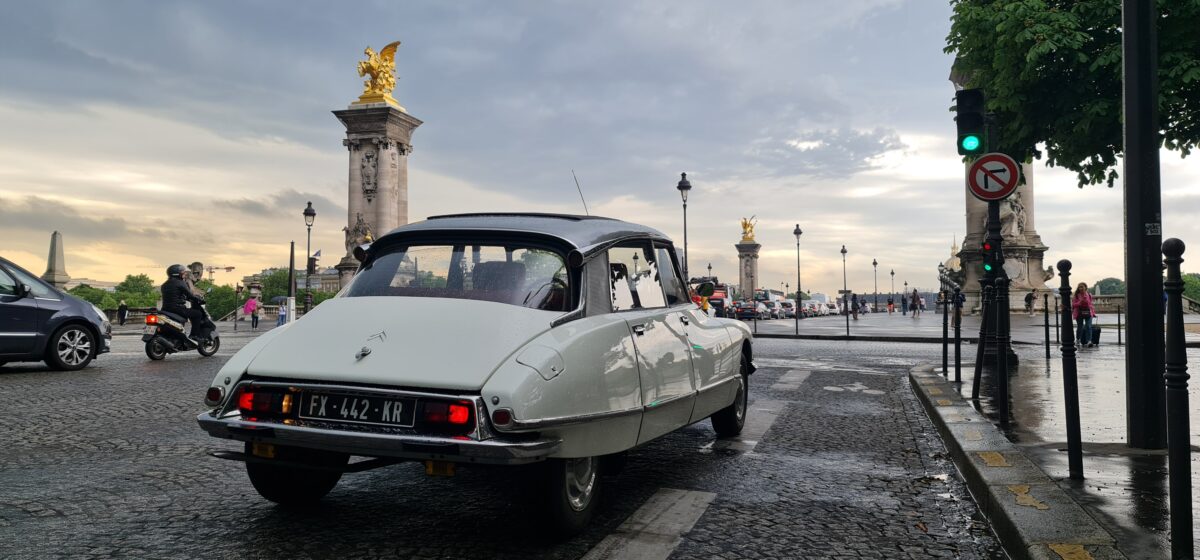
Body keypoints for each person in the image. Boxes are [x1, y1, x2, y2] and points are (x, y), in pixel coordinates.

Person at [160, 264, 207, 342]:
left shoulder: (164, 284)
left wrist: (186, 298)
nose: (184, 274)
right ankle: (194, 335)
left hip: (165, 309)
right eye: (183, 273)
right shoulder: (180, 283)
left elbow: (175, 295)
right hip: (177, 309)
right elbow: (190, 295)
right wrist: (199, 300)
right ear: (177, 273)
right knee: (197, 314)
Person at [1073, 282, 1097, 348]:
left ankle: (1089, 341)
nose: (1080, 288)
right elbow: (1074, 305)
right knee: (1080, 327)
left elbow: (1090, 305)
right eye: (1079, 287)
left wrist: (1093, 313)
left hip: (1088, 312)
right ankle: (1078, 340)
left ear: (1085, 287)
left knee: (1088, 326)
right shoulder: (1076, 295)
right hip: (1079, 313)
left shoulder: (1089, 295)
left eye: (1082, 287)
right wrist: (1080, 302)